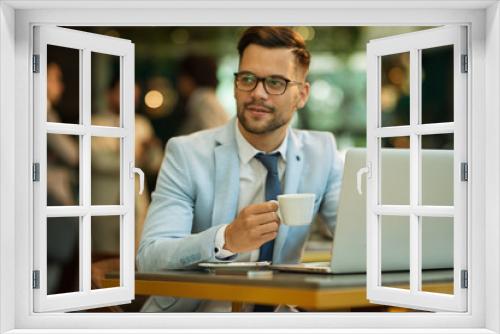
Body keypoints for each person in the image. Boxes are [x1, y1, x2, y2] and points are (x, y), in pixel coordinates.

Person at [137, 26, 343, 312]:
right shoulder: (187, 153)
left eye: (275, 82)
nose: (258, 93)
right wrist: (226, 239)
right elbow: (150, 257)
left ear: (302, 94)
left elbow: (357, 241)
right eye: (248, 78)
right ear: (235, 85)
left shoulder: (322, 153)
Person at [176, 54, 230, 135]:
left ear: (191, 78)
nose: (179, 82)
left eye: (182, 76)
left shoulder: (203, 101)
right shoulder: (205, 99)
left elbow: (213, 138)